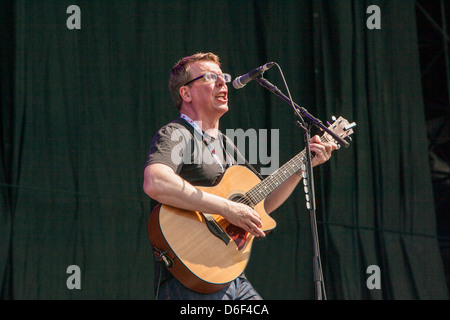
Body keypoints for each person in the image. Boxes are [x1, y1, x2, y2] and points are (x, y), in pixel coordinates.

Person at [143, 52, 337, 300]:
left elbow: (261, 205)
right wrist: (226, 208)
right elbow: (155, 181)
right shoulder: (176, 134)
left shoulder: (226, 146)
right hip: (191, 279)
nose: (223, 83)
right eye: (210, 77)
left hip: (232, 276)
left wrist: (303, 165)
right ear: (186, 93)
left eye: (222, 76)